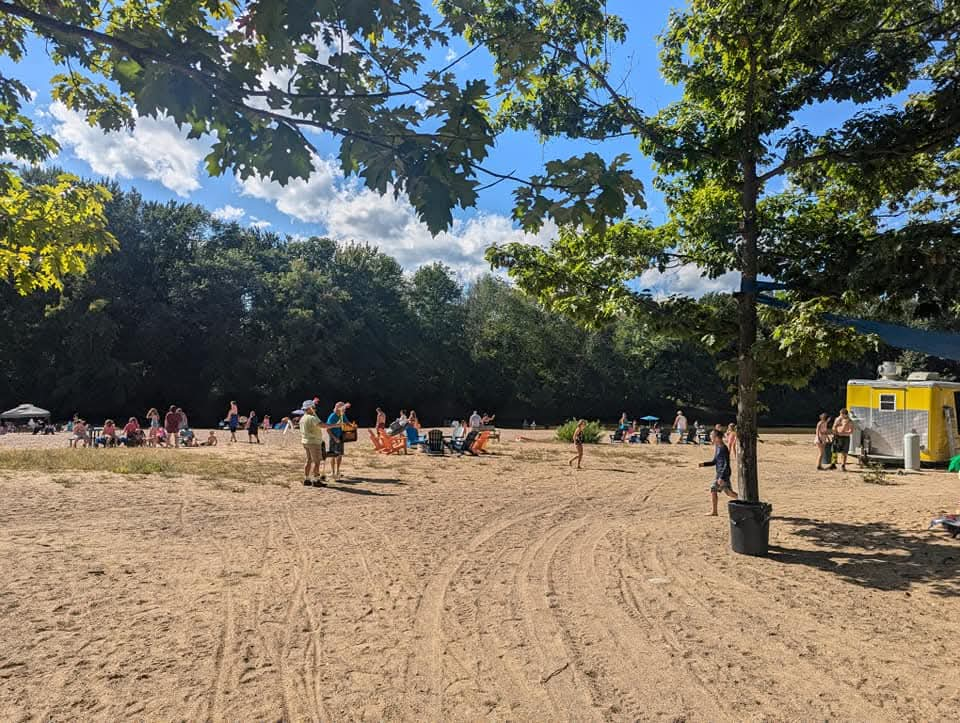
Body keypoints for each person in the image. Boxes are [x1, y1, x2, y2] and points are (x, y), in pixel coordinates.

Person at [700, 429, 738, 515]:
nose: (710, 438)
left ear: (717, 438)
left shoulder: (724, 448)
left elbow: (726, 464)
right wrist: (703, 464)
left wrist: (721, 477)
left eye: (712, 436)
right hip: (720, 474)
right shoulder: (717, 447)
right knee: (729, 493)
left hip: (723, 474)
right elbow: (714, 461)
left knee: (716, 489)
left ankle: (714, 511)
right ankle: (744, 500)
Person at [300, 402, 328, 486]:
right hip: (314, 442)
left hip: (305, 441)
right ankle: (316, 480)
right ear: (309, 408)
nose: (315, 409)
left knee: (308, 460)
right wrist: (336, 425)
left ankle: (307, 479)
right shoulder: (312, 418)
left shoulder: (303, 418)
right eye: (313, 408)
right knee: (317, 462)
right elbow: (323, 425)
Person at [326, 401, 350, 480]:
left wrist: (352, 426)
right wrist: (334, 438)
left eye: (344, 409)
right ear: (338, 408)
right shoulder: (332, 416)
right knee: (333, 455)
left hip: (341, 437)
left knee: (340, 455)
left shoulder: (342, 415)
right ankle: (333, 472)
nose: (344, 410)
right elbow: (328, 429)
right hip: (333, 438)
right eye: (342, 408)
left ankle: (338, 471)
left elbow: (347, 423)